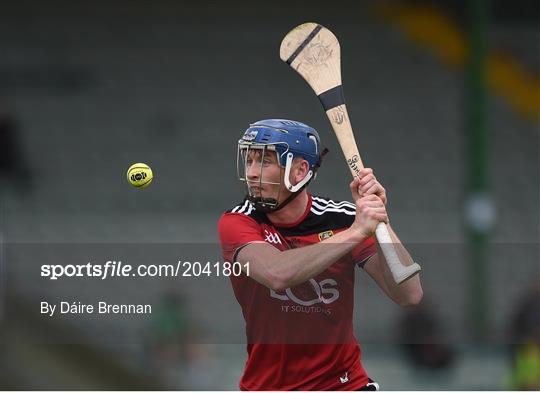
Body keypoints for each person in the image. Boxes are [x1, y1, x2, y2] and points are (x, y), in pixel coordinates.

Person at [218, 119, 423, 390]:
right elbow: (277, 274)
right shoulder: (239, 222)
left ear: (300, 170)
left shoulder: (343, 219)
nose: (253, 173)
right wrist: (355, 232)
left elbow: (409, 294)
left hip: (344, 385)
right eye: (250, 160)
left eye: (265, 162)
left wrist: (379, 218)